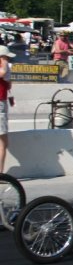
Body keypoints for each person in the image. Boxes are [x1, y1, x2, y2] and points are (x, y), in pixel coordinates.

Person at [0, 45, 16, 173]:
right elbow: (4, 75)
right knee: (2, 143)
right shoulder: (4, 67)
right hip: (0, 103)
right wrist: (4, 64)